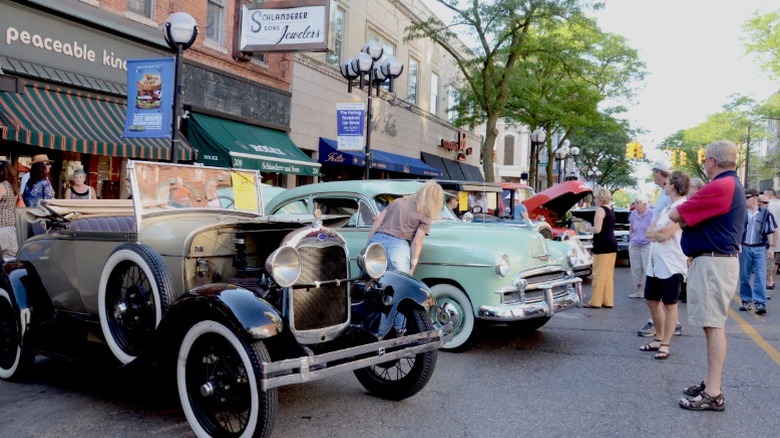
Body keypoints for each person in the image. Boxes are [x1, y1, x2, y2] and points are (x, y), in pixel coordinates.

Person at [669, 140, 745, 412]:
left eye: (705, 160)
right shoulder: (730, 185)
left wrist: (688, 219)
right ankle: (710, 383)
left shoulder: (720, 185)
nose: (704, 164)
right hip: (715, 261)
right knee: (712, 325)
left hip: (714, 263)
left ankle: (713, 393)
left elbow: (676, 213)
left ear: (712, 161)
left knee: (713, 326)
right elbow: (686, 218)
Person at [638, 171, 689, 360]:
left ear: (674, 185)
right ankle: (658, 338)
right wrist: (655, 233)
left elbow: (663, 233)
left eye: (666, 183)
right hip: (655, 262)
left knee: (670, 304)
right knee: (652, 301)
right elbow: (651, 231)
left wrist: (655, 233)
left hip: (671, 264)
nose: (664, 186)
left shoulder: (682, 206)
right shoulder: (668, 207)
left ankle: (665, 344)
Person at [367, 179, 443, 275]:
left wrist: (370, 241)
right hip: (397, 248)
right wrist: (412, 266)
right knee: (399, 284)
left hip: (376, 241)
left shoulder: (398, 201)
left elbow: (378, 220)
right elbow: (417, 242)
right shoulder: (426, 214)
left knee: (368, 282)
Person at [637, 159, 674, 336]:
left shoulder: (670, 195)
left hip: (665, 248)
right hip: (656, 246)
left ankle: (659, 327)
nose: (653, 176)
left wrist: (653, 233)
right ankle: (667, 325)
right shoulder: (662, 193)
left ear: (659, 173)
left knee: (663, 294)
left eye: (654, 172)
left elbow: (667, 222)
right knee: (657, 294)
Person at [737, 189, 776, 315]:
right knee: (744, 275)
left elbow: (770, 231)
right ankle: (746, 300)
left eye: (747, 197)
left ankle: (760, 303)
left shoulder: (765, 213)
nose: (745, 199)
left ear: (754, 198)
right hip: (745, 247)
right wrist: (738, 244)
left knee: (760, 275)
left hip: (760, 247)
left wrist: (771, 247)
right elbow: (737, 230)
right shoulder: (742, 213)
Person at [584, 186, 617, 308]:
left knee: (598, 275)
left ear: (599, 198)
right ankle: (608, 301)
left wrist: (587, 228)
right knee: (608, 275)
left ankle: (596, 301)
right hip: (612, 244)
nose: (593, 199)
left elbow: (597, 229)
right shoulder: (611, 209)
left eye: (594, 197)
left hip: (602, 244)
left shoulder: (600, 210)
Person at [628, 194, 653, 298]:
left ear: (645, 204)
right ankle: (639, 291)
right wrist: (632, 237)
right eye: (635, 202)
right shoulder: (633, 213)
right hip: (635, 244)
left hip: (647, 244)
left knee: (648, 268)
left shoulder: (651, 213)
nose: (636, 204)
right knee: (635, 268)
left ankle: (648, 292)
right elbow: (632, 227)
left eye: (638, 202)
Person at [0, 161, 19, 258]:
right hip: (11, 227)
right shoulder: (13, 187)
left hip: (1, 227)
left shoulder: (2, 186)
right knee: (12, 259)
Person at [763, 188, 780, 290]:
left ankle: (769, 281)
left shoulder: (769, 205)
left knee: (770, 259)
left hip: (772, 236)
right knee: (776, 261)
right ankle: (773, 280)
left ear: (769, 195)